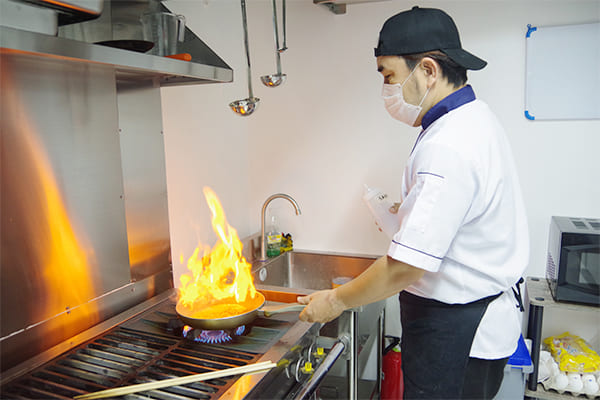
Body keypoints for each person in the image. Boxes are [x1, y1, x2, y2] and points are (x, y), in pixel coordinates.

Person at [297, 6, 529, 400]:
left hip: (458, 334)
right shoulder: (471, 119)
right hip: (463, 324)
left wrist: (335, 301)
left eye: (389, 76)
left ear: (428, 70)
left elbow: (405, 266)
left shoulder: (449, 145)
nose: (386, 89)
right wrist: (408, 214)